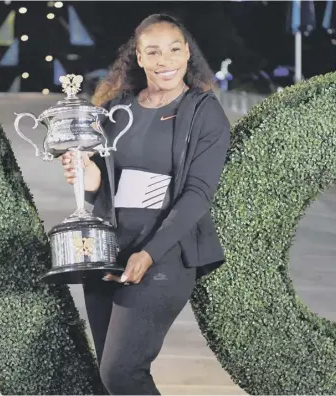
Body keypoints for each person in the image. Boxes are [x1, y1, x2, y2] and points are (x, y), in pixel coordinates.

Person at [60, 13, 231, 395]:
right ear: (138, 57)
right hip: (108, 252)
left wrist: (149, 253)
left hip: (164, 254)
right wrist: (82, 172)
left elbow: (197, 194)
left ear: (187, 53)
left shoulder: (204, 112)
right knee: (108, 380)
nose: (163, 60)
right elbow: (101, 185)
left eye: (173, 49)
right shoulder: (115, 110)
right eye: (152, 51)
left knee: (123, 372)